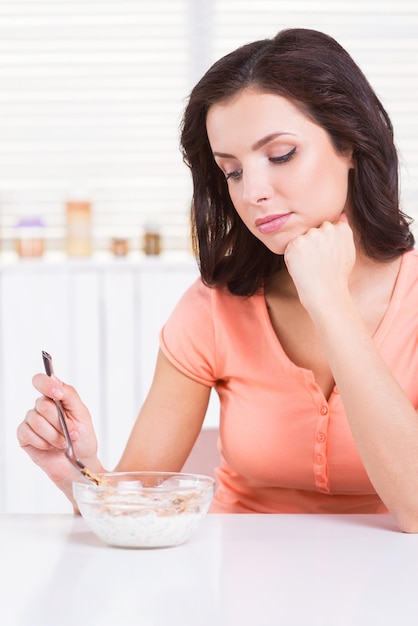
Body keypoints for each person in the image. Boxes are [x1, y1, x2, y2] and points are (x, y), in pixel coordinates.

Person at [17, 28, 418, 532]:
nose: (253, 193)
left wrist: (328, 300)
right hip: (232, 585)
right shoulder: (213, 308)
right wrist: (78, 470)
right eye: (231, 171)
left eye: (280, 155)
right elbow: (134, 504)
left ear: (351, 144)